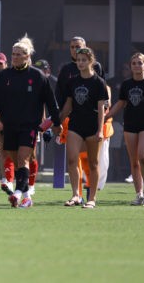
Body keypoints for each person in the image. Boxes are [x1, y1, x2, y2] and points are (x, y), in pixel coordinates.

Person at [0, 36, 60, 208]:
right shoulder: (3, 76)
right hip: (9, 125)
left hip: (30, 126)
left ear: (27, 57)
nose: (15, 57)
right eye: (13, 54)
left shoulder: (38, 76)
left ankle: (17, 194)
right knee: (14, 160)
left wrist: (56, 121)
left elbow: (50, 100)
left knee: (23, 158)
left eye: (19, 54)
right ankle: (27, 196)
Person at [106, 52, 144, 205]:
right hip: (130, 125)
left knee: (143, 156)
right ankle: (139, 194)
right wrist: (106, 117)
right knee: (134, 161)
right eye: (134, 63)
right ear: (131, 66)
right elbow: (120, 104)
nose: (137, 66)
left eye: (140, 63)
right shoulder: (127, 85)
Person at [58, 47, 108, 209]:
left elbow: (102, 109)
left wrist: (100, 130)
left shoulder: (98, 83)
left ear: (91, 61)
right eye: (78, 60)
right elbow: (68, 106)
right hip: (75, 125)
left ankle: (92, 198)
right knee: (72, 160)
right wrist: (58, 121)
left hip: (93, 126)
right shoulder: (72, 81)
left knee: (93, 163)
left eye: (84, 60)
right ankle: (75, 195)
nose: (80, 63)